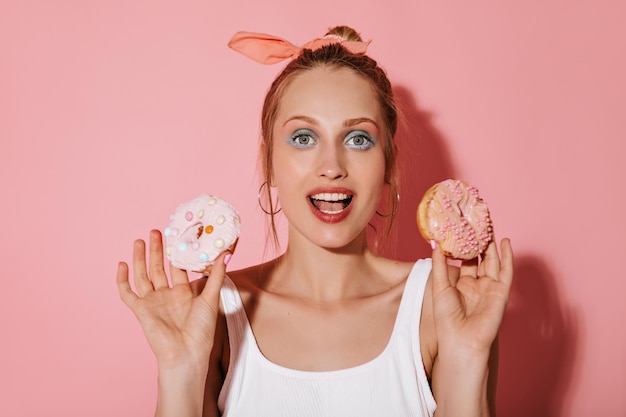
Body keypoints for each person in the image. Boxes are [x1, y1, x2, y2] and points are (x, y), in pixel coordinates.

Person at [116, 26, 514, 417]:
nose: (331, 167)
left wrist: (466, 361)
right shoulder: (211, 311)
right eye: (303, 137)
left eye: (358, 139)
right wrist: (178, 371)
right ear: (269, 160)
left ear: (388, 163)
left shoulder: (445, 303)